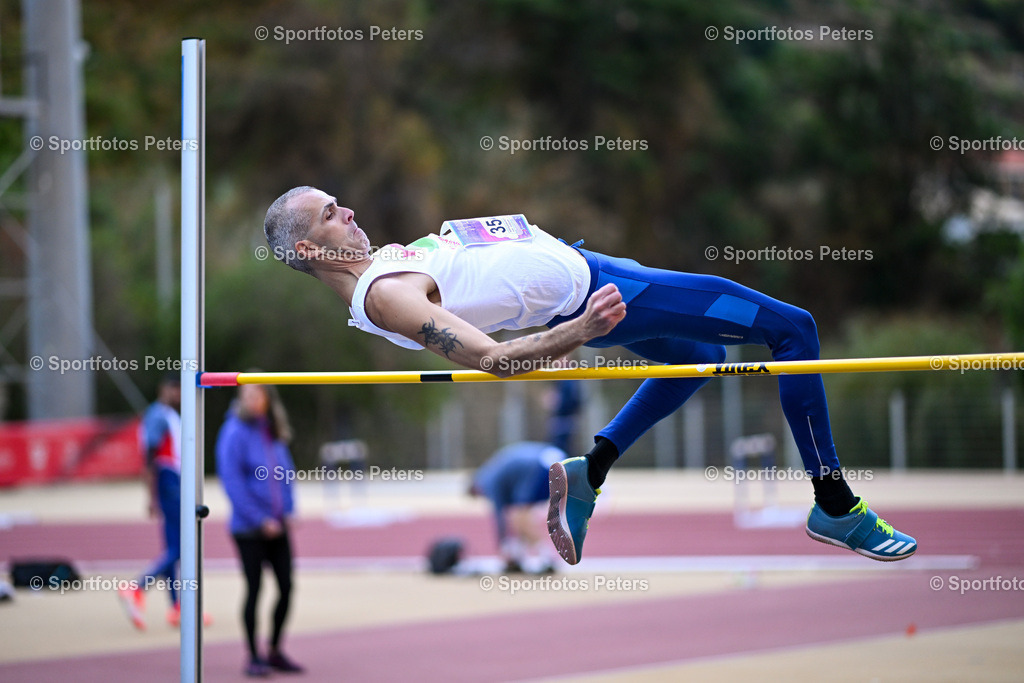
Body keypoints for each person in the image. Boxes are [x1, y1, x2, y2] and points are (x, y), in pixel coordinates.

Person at [262, 186, 917, 567]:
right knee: (794, 329)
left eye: (339, 203)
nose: (346, 211)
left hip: (587, 267)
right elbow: (491, 359)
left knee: (699, 358)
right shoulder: (383, 296)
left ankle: (591, 469)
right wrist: (576, 331)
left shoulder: (382, 265)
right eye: (329, 214)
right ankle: (835, 505)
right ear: (312, 250)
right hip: (598, 291)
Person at [216, 382, 304, 677]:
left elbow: (285, 473)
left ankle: (275, 650)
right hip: (249, 529)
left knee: (287, 588)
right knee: (254, 589)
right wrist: (258, 519)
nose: (251, 399)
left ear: (267, 397)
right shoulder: (234, 432)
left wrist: (289, 510)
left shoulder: (272, 429)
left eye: (256, 394)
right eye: (246, 395)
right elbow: (232, 482)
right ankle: (253, 656)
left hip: (278, 526)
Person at [119, 373, 197, 630]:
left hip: (171, 479)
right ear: (164, 389)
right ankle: (137, 586)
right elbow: (150, 455)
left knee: (173, 547)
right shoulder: (159, 415)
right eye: (174, 388)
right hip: (168, 480)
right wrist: (151, 494)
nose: (178, 394)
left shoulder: (167, 415)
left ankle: (177, 606)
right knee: (181, 547)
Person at [469, 442, 564, 573]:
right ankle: (519, 556)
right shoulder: (494, 472)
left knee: (519, 518)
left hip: (537, 467)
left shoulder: (487, 482)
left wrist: (502, 545)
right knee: (521, 517)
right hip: (552, 460)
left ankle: (547, 558)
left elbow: (499, 516)